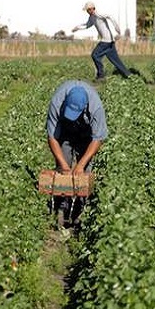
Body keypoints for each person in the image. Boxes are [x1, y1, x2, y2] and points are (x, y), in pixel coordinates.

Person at [46, 80, 107, 226]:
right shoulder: (57, 101)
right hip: (65, 132)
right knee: (63, 170)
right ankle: (62, 207)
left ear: (84, 107)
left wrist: (80, 165)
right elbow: (52, 137)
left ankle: (80, 209)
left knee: (84, 173)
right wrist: (64, 166)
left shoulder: (95, 107)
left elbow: (97, 139)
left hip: (86, 135)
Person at [72, 1, 131, 81]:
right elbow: (87, 25)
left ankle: (101, 75)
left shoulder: (98, 14)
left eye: (88, 10)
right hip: (109, 42)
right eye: (86, 10)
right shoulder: (92, 17)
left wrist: (117, 28)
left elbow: (110, 16)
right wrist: (77, 28)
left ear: (92, 9)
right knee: (116, 61)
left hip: (106, 41)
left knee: (95, 55)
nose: (87, 12)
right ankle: (129, 75)